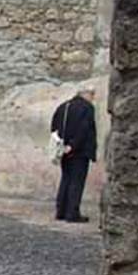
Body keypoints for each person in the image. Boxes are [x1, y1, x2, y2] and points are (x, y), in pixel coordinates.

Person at [51, 87, 97, 222]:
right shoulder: (87, 107)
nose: (93, 97)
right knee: (76, 181)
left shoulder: (63, 106)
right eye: (92, 94)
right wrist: (73, 145)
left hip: (63, 149)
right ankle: (72, 213)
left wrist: (61, 145)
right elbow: (84, 128)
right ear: (85, 94)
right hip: (79, 150)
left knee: (66, 178)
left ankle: (61, 211)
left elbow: (54, 127)